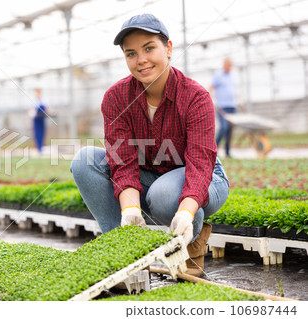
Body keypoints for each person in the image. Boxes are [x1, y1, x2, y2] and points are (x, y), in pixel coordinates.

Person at [70, 13, 230, 276]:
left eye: (149, 48)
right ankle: (123, 254)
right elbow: (122, 161)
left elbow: (200, 162)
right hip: (151, 175)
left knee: (164, 195)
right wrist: (130, 207)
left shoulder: (195, 96)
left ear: (168, 48)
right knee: (84, 160)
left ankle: (193, 236)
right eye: (131, 53)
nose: (141, 60)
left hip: (206, 177)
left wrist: (187, 211)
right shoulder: (116, 98)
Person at [210, 58, 239, 158]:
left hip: (232, 106)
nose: (229, 67)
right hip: (222, 106)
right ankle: (214, 149)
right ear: (224, 65)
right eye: (227, 65)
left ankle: (227, 151)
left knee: (230, 130)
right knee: (224, 127)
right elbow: (211, 88)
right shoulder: (218, 75)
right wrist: (213, 100)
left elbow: (233, 90)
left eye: (230, 65)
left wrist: (238, 100)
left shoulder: (233, 75)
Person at [32, 88, 48, 154]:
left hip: (42, 118)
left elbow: (46, 109)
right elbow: (32, 110)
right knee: (37, 133)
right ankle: (39, 148)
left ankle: (41, 147)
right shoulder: (33, 101)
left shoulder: (43, 100)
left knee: (42, 133)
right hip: (36, 119)